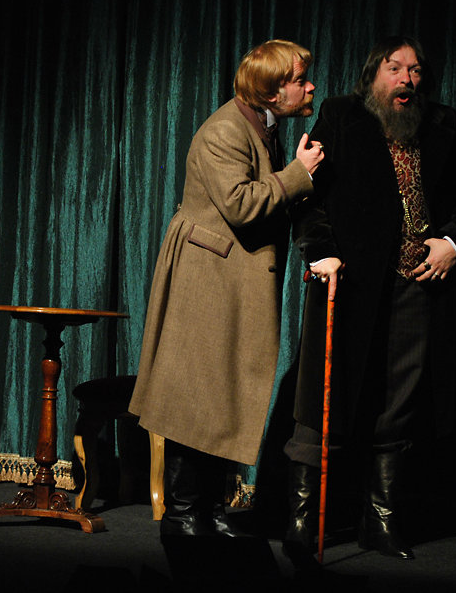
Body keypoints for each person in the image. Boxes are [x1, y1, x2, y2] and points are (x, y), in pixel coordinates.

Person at [284, 36, 456, 567]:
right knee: (324, 396)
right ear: (374, 73)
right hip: (348, 282)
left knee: (401, 400)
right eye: (395, 68)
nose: (407, 79)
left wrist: (453, 241)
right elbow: (306, 192)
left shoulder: (440, 122)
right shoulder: (340, 116)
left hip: (418, 284)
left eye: (414, 70)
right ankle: (303, 517)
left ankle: (381, 518)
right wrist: (319, 251)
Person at [129, 40, 324, 539]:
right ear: (272, 90)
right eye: (300, 80)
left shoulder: (263, 125)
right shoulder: (224, 131)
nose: (310, 87)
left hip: (231, 274)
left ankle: (212, 507)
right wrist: (298, 175)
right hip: (207, 276)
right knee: (197, 393)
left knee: (226, 392)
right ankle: (183, 511)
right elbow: (240, 203)